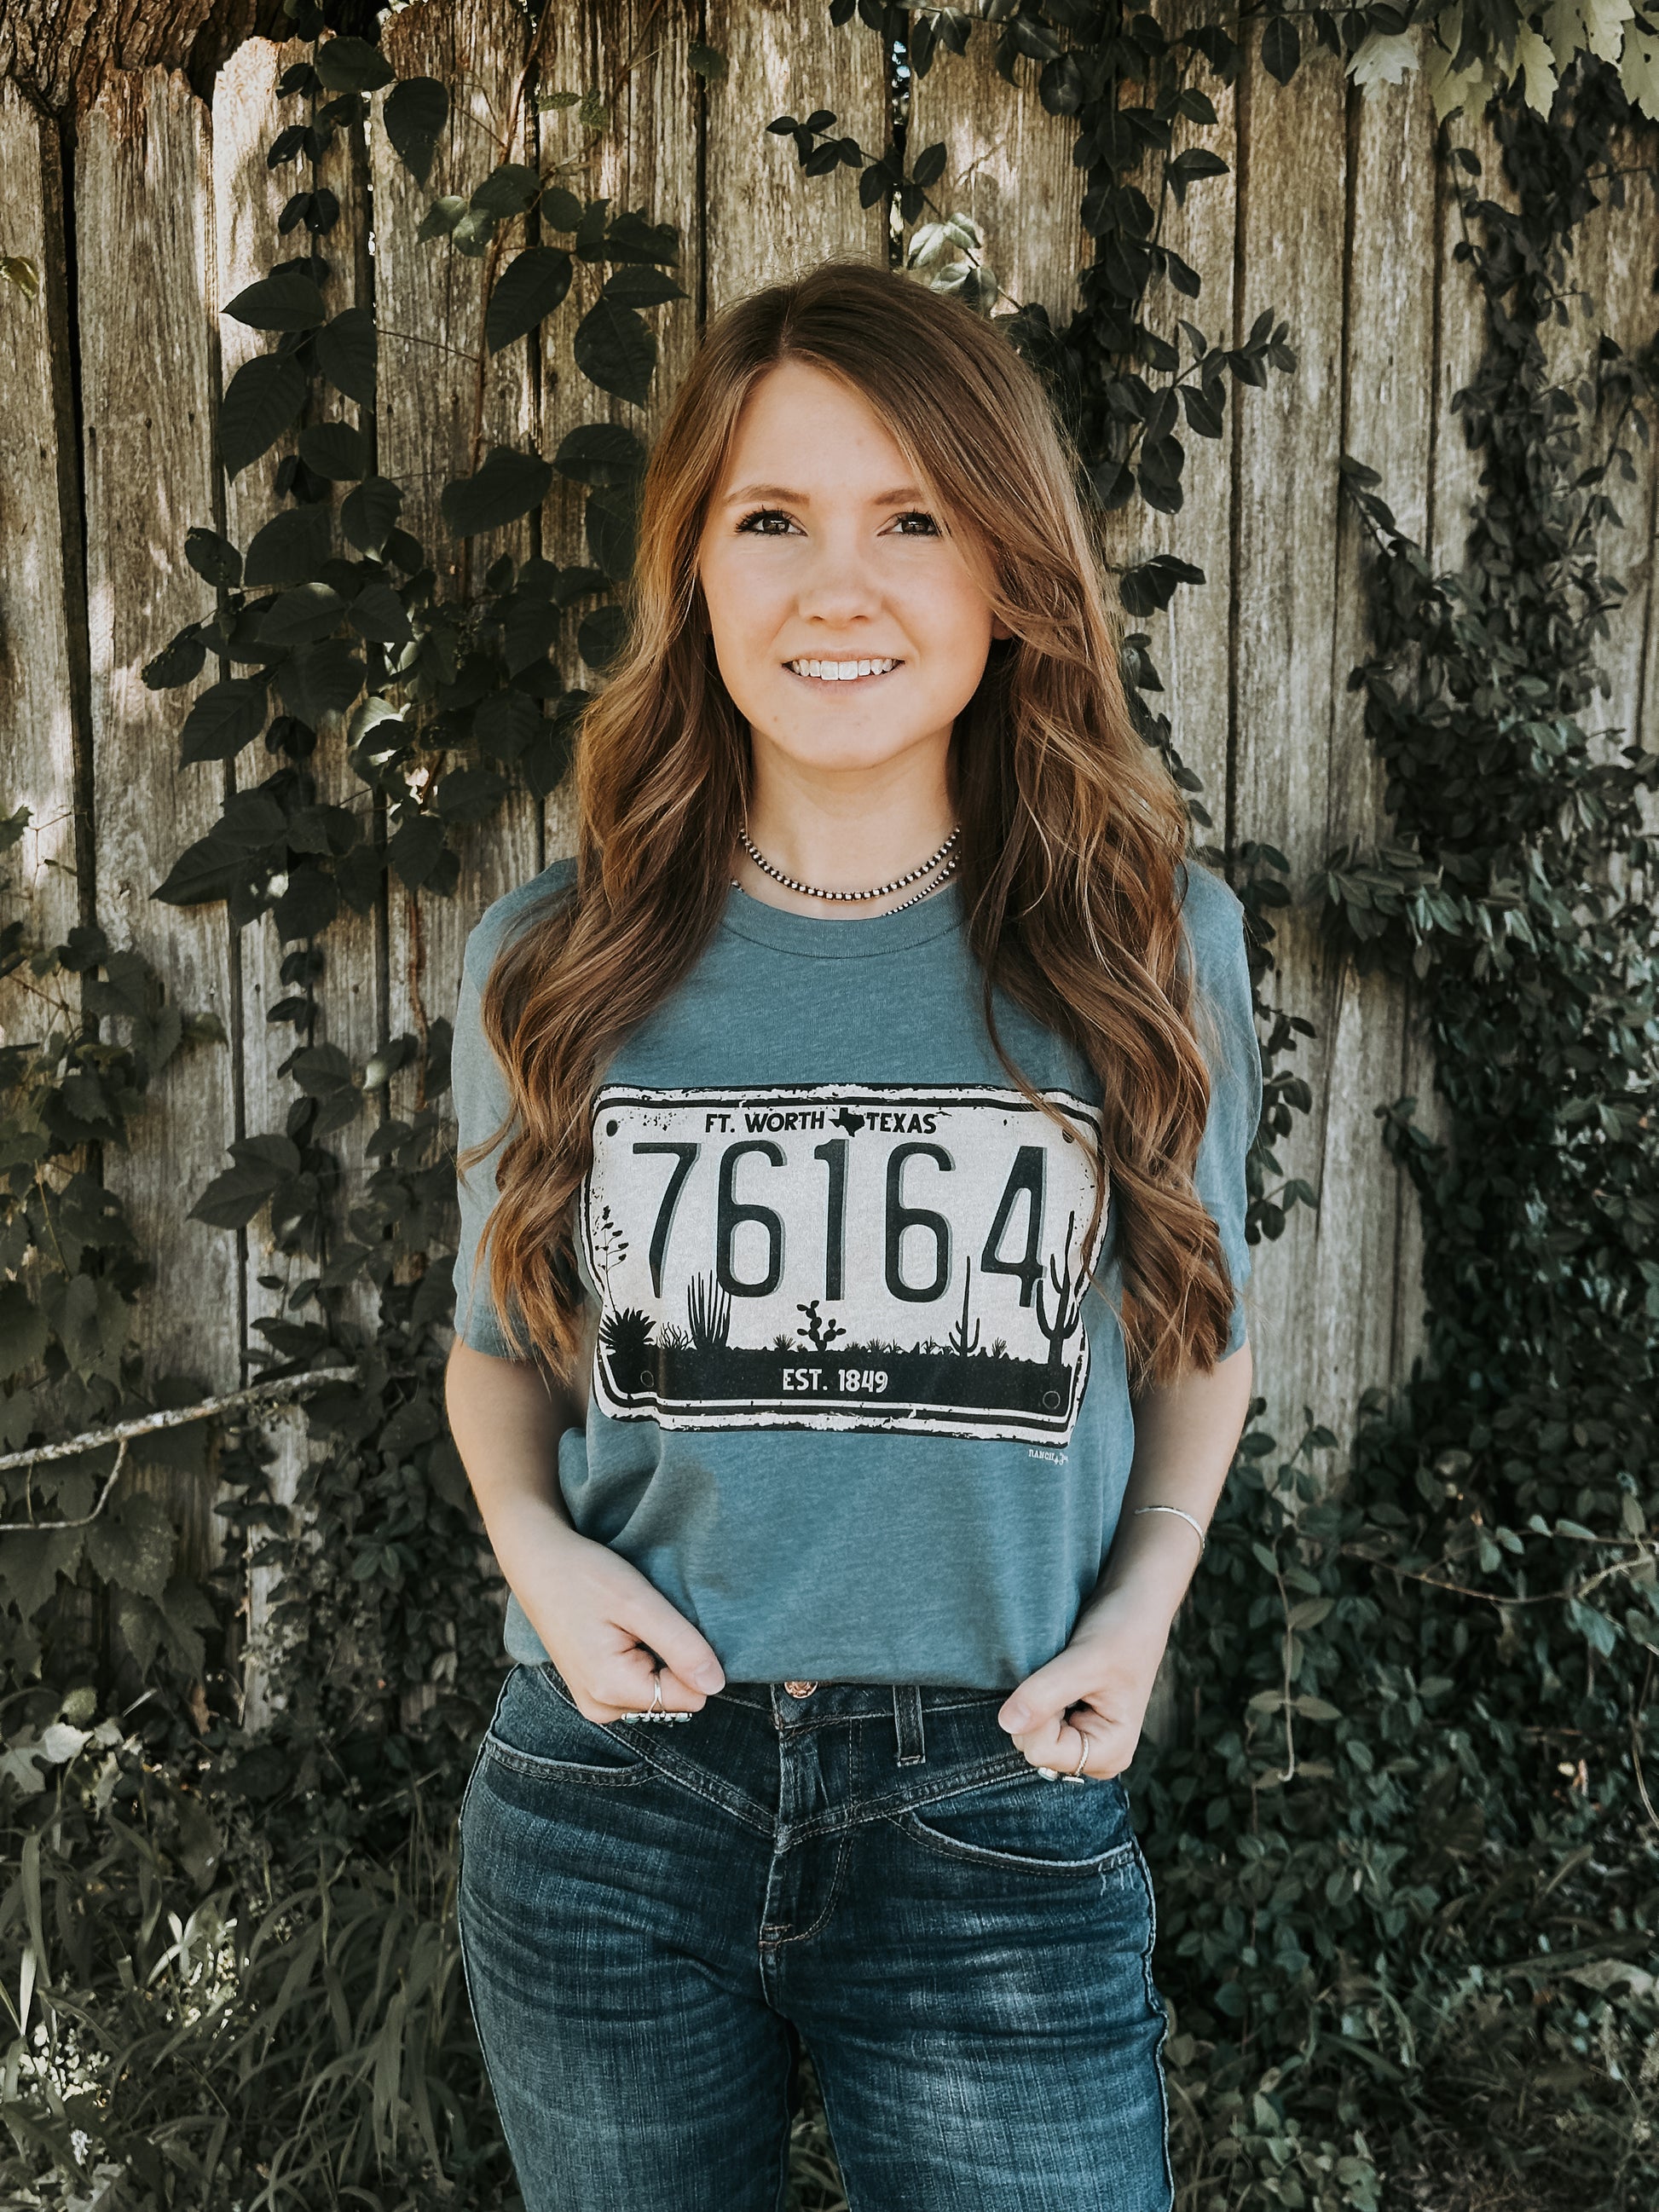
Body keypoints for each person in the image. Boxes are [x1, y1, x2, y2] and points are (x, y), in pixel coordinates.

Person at [442, 256, 1261, 2212]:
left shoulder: (1141, 947)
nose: (839, 585)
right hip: (613, 1800)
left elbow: (1197, 1343)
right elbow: (496, 1360)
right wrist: (542, 1555)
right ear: (691, 565)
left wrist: (1136, 1614)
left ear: (1009, 567)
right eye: (771, 519)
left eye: (912, 518)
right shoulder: (555, 961)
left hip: (995, 1803)